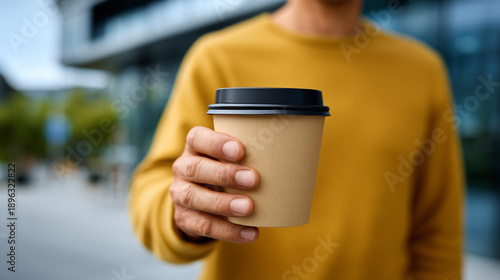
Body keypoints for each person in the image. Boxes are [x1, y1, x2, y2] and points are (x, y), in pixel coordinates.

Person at [128, 0, 464, 279]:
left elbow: (439, 235)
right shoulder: (216, 57)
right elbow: (153, 190)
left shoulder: (421, 71)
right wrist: (184, 214)